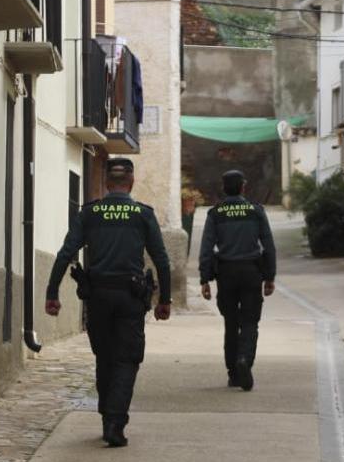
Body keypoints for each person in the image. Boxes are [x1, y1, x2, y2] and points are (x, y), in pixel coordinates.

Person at [44, 158, 171, 447]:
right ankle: (115, 420)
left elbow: (66, 253)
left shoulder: (90, 213)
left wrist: (52, 293)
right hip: (130, 297)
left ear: (106, 182)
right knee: (127, 359)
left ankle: (106, 417)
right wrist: (165, 299)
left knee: (105, 357)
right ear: (132, 181)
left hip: (98, 297)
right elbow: (161, 258)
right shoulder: (142, 214)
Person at [198, 170, 277, 391]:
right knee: (251, 322)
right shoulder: (256, 211)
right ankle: (245, 360)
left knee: (230, 324)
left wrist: (205, 279)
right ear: (244, 187)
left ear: (224, 189)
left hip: (226, 274)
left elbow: (206, 248)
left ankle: (233, 374)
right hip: (252, 272)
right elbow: (268, 245)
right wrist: (269, 276)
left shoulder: (216, 213)